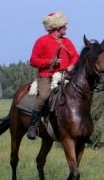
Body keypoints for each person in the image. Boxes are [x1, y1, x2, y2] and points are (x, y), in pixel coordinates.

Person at [27, 11, 79, 140]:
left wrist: (72, 65)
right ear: (56, 27)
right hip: (47, 76)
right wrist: (49, 62)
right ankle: (33, 126)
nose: (66, 28)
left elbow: (75, 56)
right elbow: (33, 61)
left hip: (66, 75)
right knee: (43, 96)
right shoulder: (41, 41)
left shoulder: (67, 42)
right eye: (64, 26)